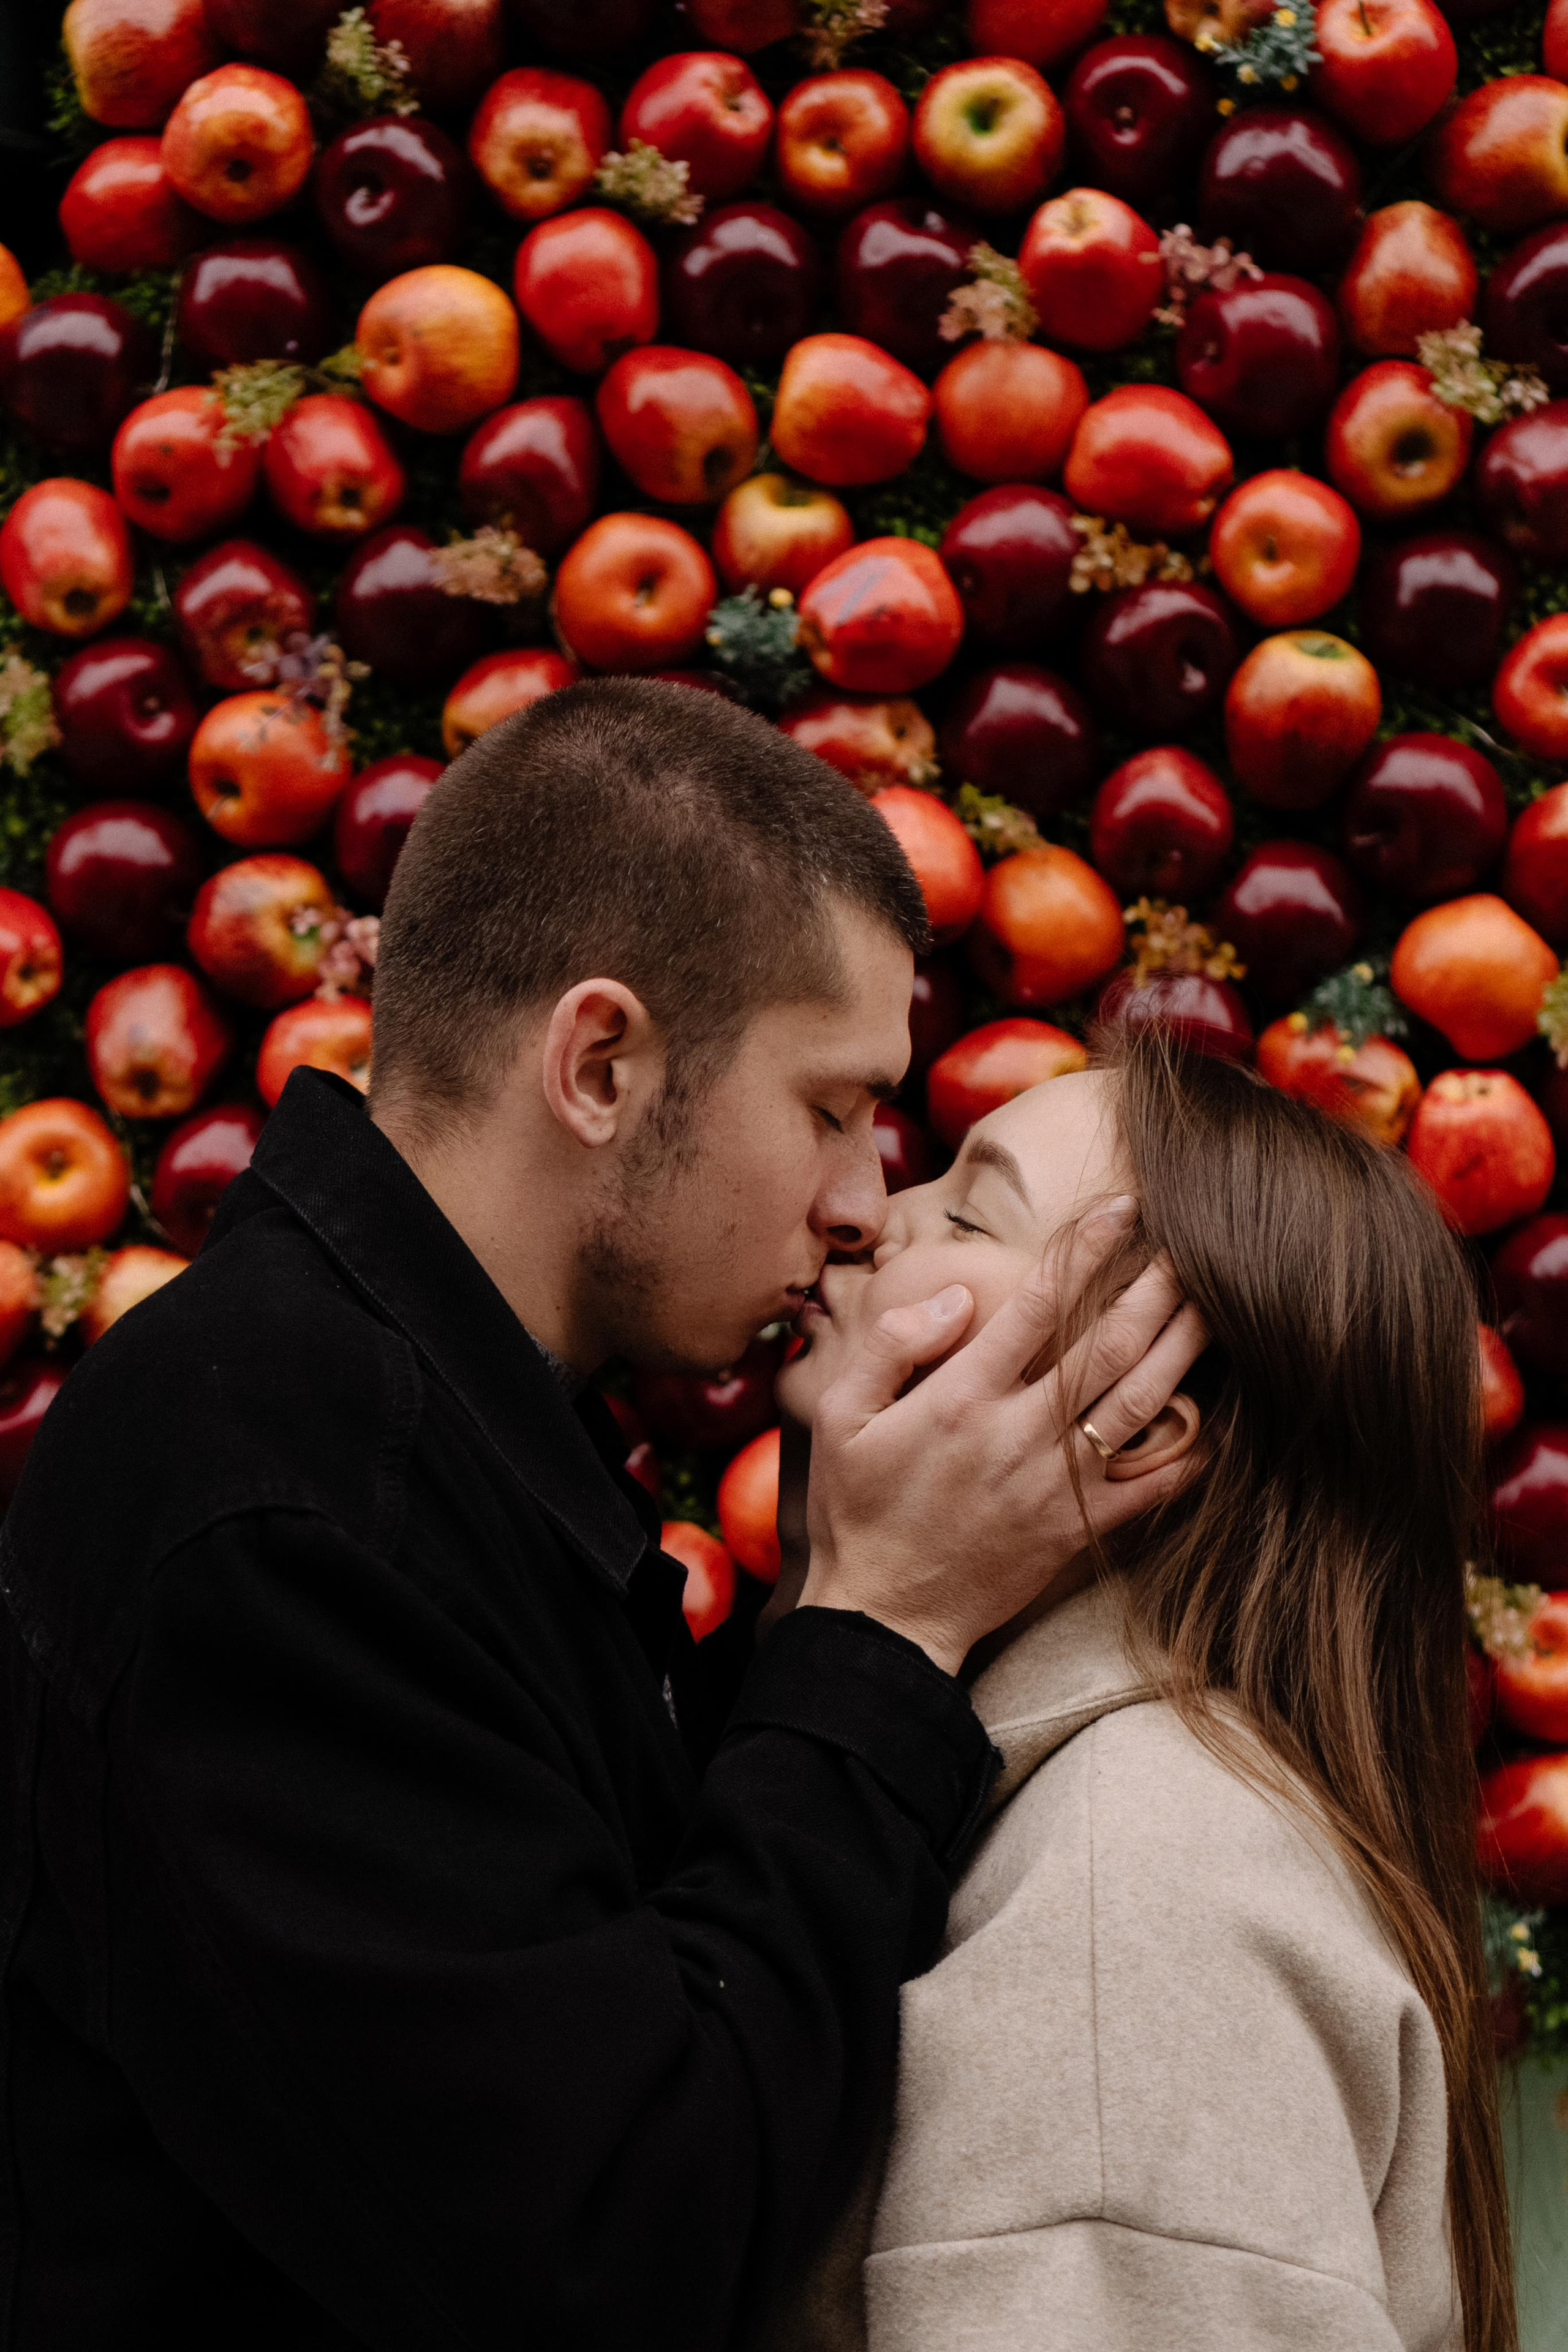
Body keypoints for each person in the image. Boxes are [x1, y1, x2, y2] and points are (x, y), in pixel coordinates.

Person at [0, 681, 1205, 2350]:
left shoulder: (439, 1437)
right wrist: (883, 1633)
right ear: (602, 1064)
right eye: (834, 1108)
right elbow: (618, 2256)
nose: (865, 1205)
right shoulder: (287, 1507)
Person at [769, 1029, 1514, 2352]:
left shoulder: (1134, 1900)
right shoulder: (1072, 1815)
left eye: (964, 1206)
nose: (866, 1215)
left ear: (1134, 1424)